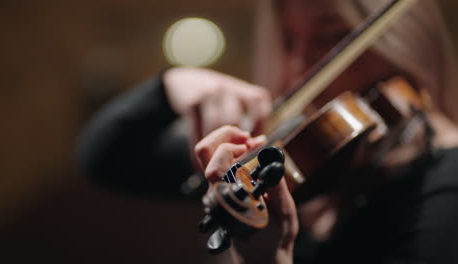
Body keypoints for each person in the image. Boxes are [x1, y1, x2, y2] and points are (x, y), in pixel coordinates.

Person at [194, 0, 458, 263]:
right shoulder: (338, 167)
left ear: (405, 40)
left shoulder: (447, 191)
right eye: (287, 41)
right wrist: (171, 84)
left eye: (328, 38)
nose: (299, 65)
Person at [76, 67, 271, 197]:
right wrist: (164, 89)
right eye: (288, 43)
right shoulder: (243, 146)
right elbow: (104, 159)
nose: (297, 64)